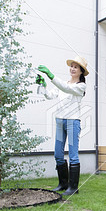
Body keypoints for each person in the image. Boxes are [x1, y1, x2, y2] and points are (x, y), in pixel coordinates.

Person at [36, 56, 88, 196]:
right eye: (71, 66)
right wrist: (43, 85)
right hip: (60, 121)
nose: (72, 68)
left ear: (81, 72)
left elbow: (65, 88)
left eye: (76, 67)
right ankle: (63, 184)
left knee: (73, 155)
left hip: (72, 122)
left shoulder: (80, 87)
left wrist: (51, 75)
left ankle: (73, 188)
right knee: (58, 154)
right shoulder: (63, 83)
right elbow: (49, 95)